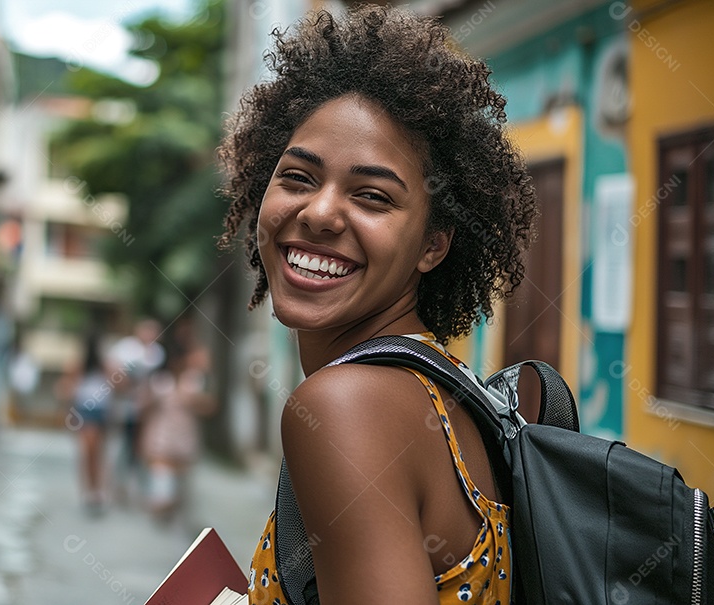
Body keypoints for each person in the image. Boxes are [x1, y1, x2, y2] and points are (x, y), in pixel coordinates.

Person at [218, 6, 537, 604]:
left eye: (372, 196)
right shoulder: (451, 395)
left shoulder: (346, 407)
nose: (318, 213)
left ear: (434, 245)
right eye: (297, 177)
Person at [139, 316, 214, 523]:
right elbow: (144, 410)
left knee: (181, 498)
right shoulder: (159, 381)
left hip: (185, 442)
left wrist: (194, 400)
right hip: (160, 441)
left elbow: (210, 407)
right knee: (162, 497)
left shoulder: (193, 381)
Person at [107, 318, 165, 507]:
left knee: (141, 449)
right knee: (122, 446)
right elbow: (114, 374)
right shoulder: (125, 348)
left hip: (146, 410)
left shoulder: (157, 354)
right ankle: (119, 486)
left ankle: (139, 489)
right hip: (125, 407)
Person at [57, 332, 114, 517]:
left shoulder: (105, 366)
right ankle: (90, 490)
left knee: (97, 452)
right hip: (85, 411)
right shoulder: (78, 366)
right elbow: (65, 389)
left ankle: (96, 489)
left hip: (100, 411)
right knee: (88, 451)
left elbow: (118, 385)